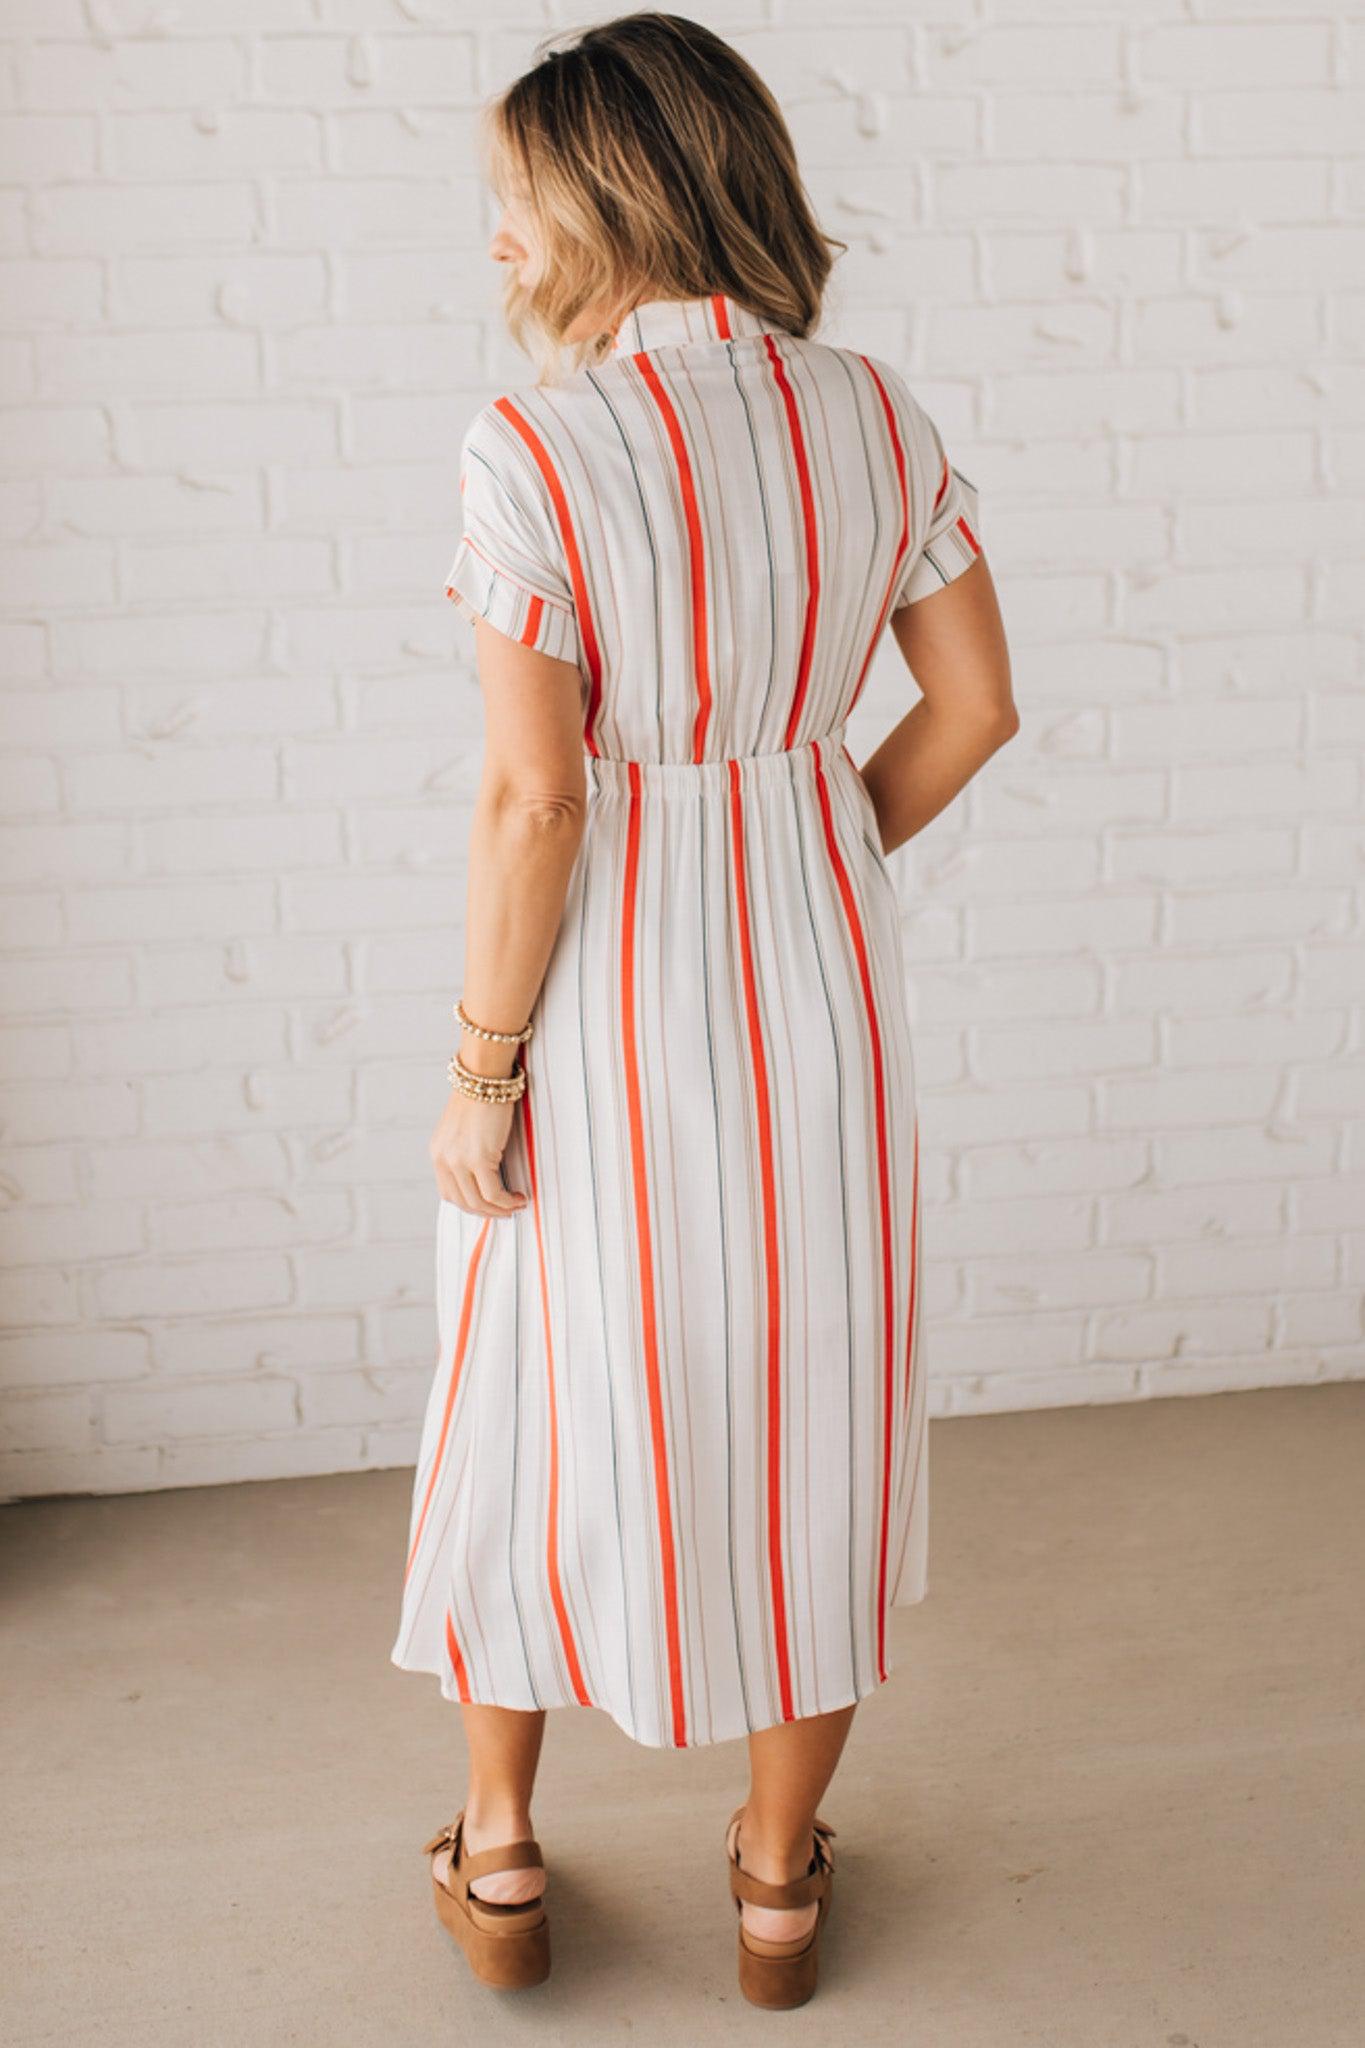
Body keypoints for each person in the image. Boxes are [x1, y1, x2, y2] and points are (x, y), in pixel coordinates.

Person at [390, 9, 1016, 2008]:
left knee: (520, 1396)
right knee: (809, 1410)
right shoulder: (872, 413)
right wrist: (810, 854)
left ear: (605, 197)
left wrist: (481, 1070)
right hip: (811, 983)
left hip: (597, 997)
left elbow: (536, 793)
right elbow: (975, 707)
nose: (495, 236)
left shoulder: (535, 448)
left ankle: (496, 1858)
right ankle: (769, 1883)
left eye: (515, 196)